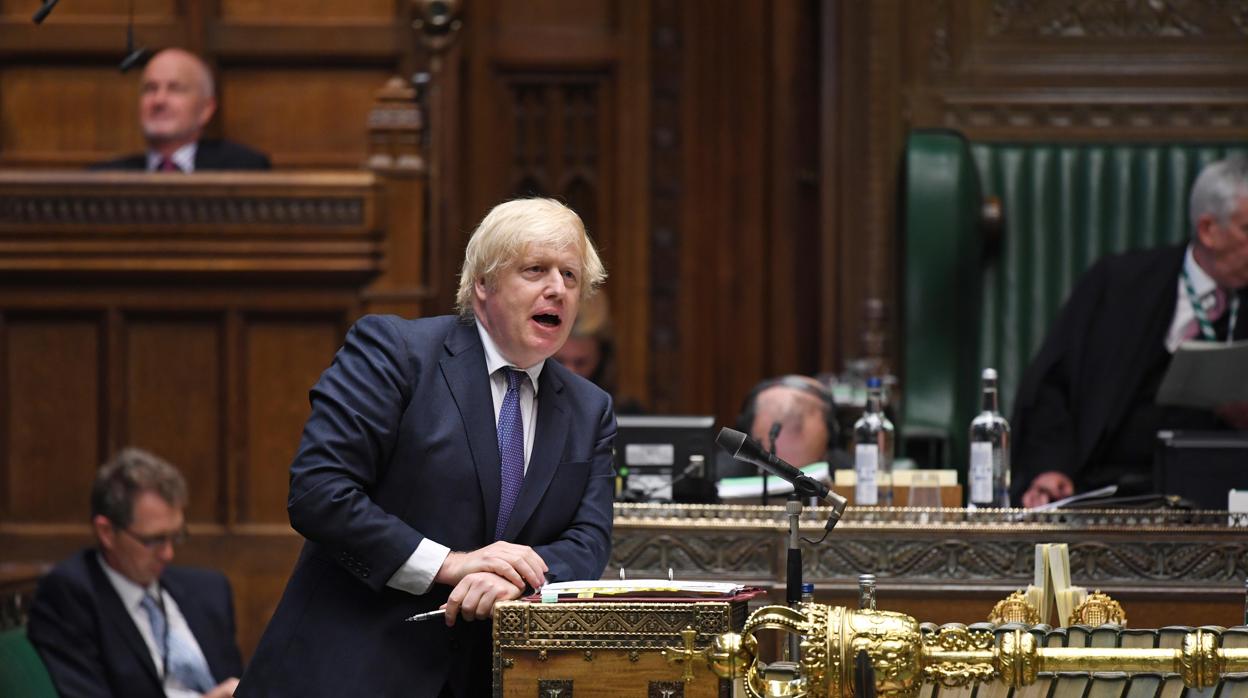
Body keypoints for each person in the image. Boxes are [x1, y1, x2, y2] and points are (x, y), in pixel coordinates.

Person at [237, 198, 615, 697]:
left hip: (486, 678)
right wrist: (449, 563)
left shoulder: (590, 409)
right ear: (483, 283)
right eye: (535, 270)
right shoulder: (395, 353)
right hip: (352, 670)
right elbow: (319, 493)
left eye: (570, 276)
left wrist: (519, 580)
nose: (557, 290)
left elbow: (587, 539)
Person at [1013, 155, 1248, 507]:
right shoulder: (1119, 285)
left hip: (1219, 495)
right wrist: (1050, 468)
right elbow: (1053, 386)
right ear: (1208, 230)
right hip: (1105, 490)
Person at [26, 448, 244, 698]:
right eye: (153, 540)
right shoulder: (70, 596)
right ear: (106, 532)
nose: (168, 554)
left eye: (176, 536)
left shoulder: (210, 591)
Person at [93, 48, 270, 172]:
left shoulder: (243, 168)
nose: (159, 100)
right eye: (150, 88)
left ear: (206, 109)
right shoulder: (105, 178)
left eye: (175, 89)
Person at [720, 375, 849, 480]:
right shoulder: (719, 472)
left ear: (831, 437)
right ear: (745, 430)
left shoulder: (850, 473)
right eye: (772, 469)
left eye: (806, 469)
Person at [552, 290, 644, 414]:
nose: (570, 372)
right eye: (559, 361)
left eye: (581, 363)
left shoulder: (625, 414)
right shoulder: (525, 410)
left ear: (601, 359)